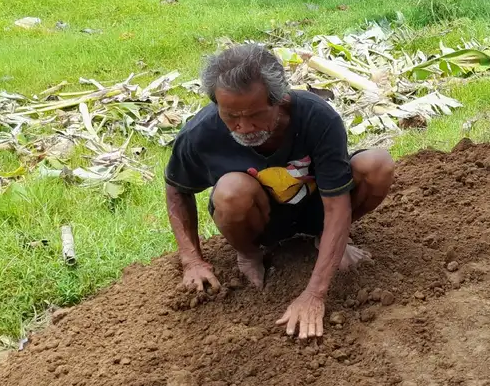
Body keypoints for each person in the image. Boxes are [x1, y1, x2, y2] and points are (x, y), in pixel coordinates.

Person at [164, 42, 396, 338]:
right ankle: (249, 254)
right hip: (259, 221)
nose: (244, 127)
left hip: (316, 209)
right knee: (231, 191)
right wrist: (192, 260)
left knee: (378, 164)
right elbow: (176, 187)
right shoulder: (201, 133)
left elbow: (337, 205)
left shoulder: (317, 119)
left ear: (280, 99)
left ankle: (324, 239)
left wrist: (314, 295)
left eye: (255, 115)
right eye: (231, 117)